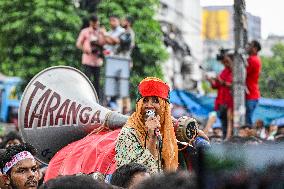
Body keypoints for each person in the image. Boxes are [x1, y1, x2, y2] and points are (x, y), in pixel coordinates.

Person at [115, 77, 179, 174]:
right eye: (145, 100)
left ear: (164, 108)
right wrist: (151, 137)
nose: (149, 105)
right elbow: (129, 176)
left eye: (155, 101)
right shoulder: (128, 134)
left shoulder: (167, 131)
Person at [76, 14, 105, 99]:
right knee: (87, 80)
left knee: (97, 82)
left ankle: (97, 99)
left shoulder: (101, 32)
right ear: (91, 22)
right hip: (87, 60)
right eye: (94, 22)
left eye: (97, 22)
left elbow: (105, 44)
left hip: (97, 61)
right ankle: (85, 97)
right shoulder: (85, 31)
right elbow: (78, 44)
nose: (96, 24)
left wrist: (103, 34)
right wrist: (86, 50)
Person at [207, 50, 233, 139]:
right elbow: (216, 86)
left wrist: (221, 81)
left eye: (227, 62)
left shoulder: (235, 72)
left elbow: (234, 86)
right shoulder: (224, 71)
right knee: (224, 122)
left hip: (229, 102)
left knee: (229, 122)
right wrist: (210, 80)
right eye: (224, 62)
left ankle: (228, 138)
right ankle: (225, 138)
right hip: (221, 101)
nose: (225, 64)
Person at [245, 40, 262, 125]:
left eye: (250, 45)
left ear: (255, 48)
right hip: (252, 94)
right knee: (247, 119)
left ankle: (249, 137)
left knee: (248, 121)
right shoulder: (254, 59)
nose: (247, 47)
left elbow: (242, 73)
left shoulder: (252, 60)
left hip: (251, 95)